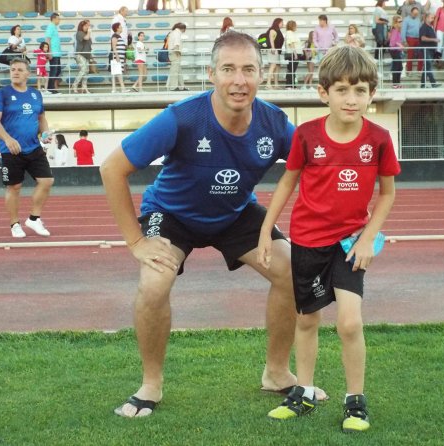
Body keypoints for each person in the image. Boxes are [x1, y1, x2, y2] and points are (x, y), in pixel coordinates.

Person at [100, 31, 327, 418]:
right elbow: (112, 168)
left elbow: (314, 167)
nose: (239, 80)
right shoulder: (182, 117)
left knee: (293, 271)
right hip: (172, 214)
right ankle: (150, 384)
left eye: (248, 70)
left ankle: (276, 373)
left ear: (262, 75)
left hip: (235, 213)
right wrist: (135, 241)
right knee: (154, 282)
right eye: (228, 69)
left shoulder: (275, 124)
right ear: (211, 74)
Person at [258, 45, 401, 433]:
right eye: (342, 90)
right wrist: (265, 230)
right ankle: (303, 391)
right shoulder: (305, 135)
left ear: (372, 93)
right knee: (306, 320)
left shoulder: (379, 139)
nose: (351, 99)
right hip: (307, 241)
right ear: (324, 93)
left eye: (359, 90)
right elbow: (287, 182)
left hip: (350, 243)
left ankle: (355, 400)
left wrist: (368, 239)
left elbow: (387, 193)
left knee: (350, 323)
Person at [0, 58, 54, 238]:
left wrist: (46, 133)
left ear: (28, 73)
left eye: (19, 69)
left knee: (46, 181)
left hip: (33, 147)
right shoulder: (1, 94)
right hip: (11, 150)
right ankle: (14, 224)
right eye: (13, 69)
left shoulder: (36, 95)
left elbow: (41, 118)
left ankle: (33, 219)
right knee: (14, 187)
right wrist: (7, 139)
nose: (15, 72)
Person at [419, 13, 442, 88]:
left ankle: (423, 85)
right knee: (428, 67)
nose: (433, 19)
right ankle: (433, 83)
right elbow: (423, 38)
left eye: (433, 18)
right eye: (431, 17)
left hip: (431, 50)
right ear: (427, 18)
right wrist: (434, 39)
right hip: (426, 49)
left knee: (426, 68)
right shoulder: (424, 27)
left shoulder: (430, 27)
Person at [402, 7, 424, 77]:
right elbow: (403, 31)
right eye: (414, 13)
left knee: (421, 54)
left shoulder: (418, 19)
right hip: (409, 38)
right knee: (410, 55)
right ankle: (409, 70)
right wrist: (404, 41)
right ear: (411, 13)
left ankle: (420, 70)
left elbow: (420, 29)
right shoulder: (406, 20)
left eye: (417, 14)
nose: (415, 15)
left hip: (418, 39)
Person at [263, 18, 284, 89]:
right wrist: (273, 48)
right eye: (282, 23)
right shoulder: (272, 30)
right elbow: (271, 39)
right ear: (278, 23)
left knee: (277, 67)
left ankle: (276, 84)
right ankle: (268, 84)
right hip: (273, 50)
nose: (283, 24)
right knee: (273, 66)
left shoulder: (278, 30)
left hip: (277, 50)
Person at [166, 22, 188, 91]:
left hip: (172, 53)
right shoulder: (177, 33)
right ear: (183, 28)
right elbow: (176, 45)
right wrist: (178, 53)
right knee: (175, 71)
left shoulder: (172, 33)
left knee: (178, 70)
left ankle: (182, 86)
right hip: (175, 53)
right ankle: (173, 87)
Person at [73, 20, 93, 94]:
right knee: (83, 70)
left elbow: (88, 45)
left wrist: (91, 57)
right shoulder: (79, 33)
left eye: (88, 26)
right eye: (86, 26)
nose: (88, 27)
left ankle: (84, 88)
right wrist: (89, 32)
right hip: (80, 54)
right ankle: (75, 85)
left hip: (86, 55)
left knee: (86, 72)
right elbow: (86, 38)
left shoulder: (86, 33)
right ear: (82, 26)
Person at [45, 12, 62, 94]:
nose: (59, 20)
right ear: (54, 19)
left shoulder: (54, 27)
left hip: (57, 53)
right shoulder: (50, 27)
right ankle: (50, 89)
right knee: (54, 71)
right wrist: (49, 52)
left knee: (57, 70)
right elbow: (47, 40)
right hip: (53, 53)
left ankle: (51, 88)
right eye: (58, 19)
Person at [284, 20, 302, 89]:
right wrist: (295, 54)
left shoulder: (292, 33)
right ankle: (289, 85)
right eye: (295, 25)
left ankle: (293, 85)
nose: (296, 26)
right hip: (293, 54)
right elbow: (291, 43)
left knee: (292, 70)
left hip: (295, 53)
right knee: (291, 70)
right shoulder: (289, 33)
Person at [110, 22, 128, 93]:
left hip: (120, 56)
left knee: (116, 72)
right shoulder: (115, 36)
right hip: (117, 56)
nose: (122, 28)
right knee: (118, 72)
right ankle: (122, 88)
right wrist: (117, 57)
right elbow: (114, 47)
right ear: (117, 28)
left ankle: (114, 89)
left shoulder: (118, 36)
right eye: (120, 27)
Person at [389, 15, 405, 88]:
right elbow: (392, 42)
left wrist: (401, 45)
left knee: (399, 67)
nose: (401, 23)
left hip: (397, 50)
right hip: (394, 51)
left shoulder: (397, 30)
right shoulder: (395, 30)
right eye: (399, 21)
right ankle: (395, 84)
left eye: (402, 21)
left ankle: (397, 83)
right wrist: (400, 45)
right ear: (395, 22)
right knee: (396, 67)